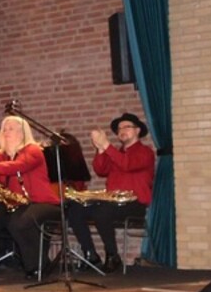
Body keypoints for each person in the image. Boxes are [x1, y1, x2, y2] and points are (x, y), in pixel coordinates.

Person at [0, 116, 62, 280]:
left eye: (11, 129)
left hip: (42, 203)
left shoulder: (33, 150)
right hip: (15, 203)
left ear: (23, 133)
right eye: (4, 129)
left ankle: (34, 266)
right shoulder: (1, 156)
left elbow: (18, 166)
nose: (6, 132)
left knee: (20, 221)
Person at [66, 112, 154, 273]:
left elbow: (127, 164)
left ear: (138, 131)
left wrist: (106, 145)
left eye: (127, 127)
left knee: (102, 211)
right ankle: (90, 254)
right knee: (75, 209)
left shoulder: (145, 152)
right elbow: (100, 169)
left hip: (135, 204)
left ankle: (112, 255)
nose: (122, 130)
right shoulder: (116, 153)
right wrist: (100, 149)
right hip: (113, 202)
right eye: (119, 128)